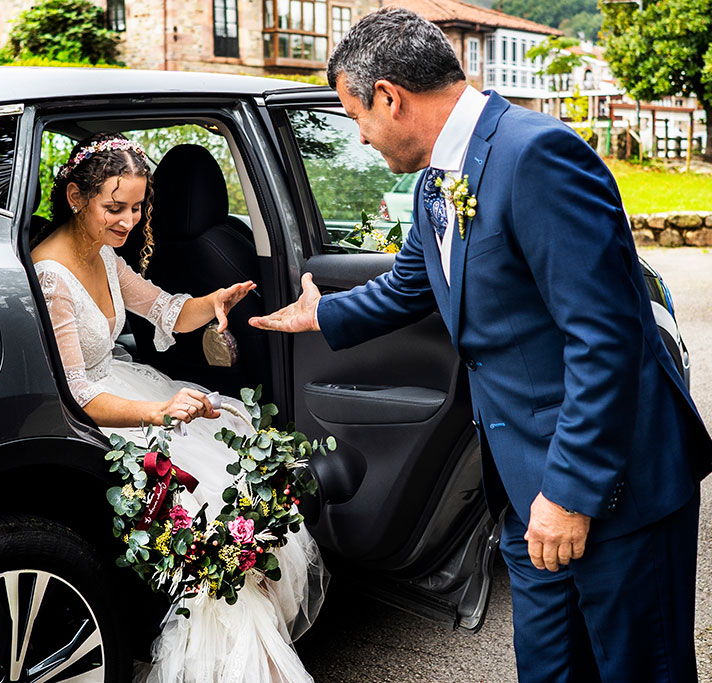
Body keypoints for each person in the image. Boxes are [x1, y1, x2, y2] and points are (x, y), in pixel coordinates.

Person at [250, 8, 712, 682]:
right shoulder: (439, 178)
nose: (362, 135)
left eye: (358, 117)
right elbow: (413, 284)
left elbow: (607, 336)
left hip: (612, 493)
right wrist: (324, 315)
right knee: (549, 670)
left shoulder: (537, 156)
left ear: (390, 97)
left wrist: (570, 494)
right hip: (526, 495)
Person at [31, 132, 327, 683]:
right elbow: (78, 392)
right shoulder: (50, 274)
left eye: (138, 207)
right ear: (75, 198)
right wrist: (160, 413)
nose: (128, 220)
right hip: (100, 412)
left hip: (129, 389)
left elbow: (165, 308)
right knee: (212, 518)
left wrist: (213, 302)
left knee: (236, 466)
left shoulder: (102, 253)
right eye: (113, 207)